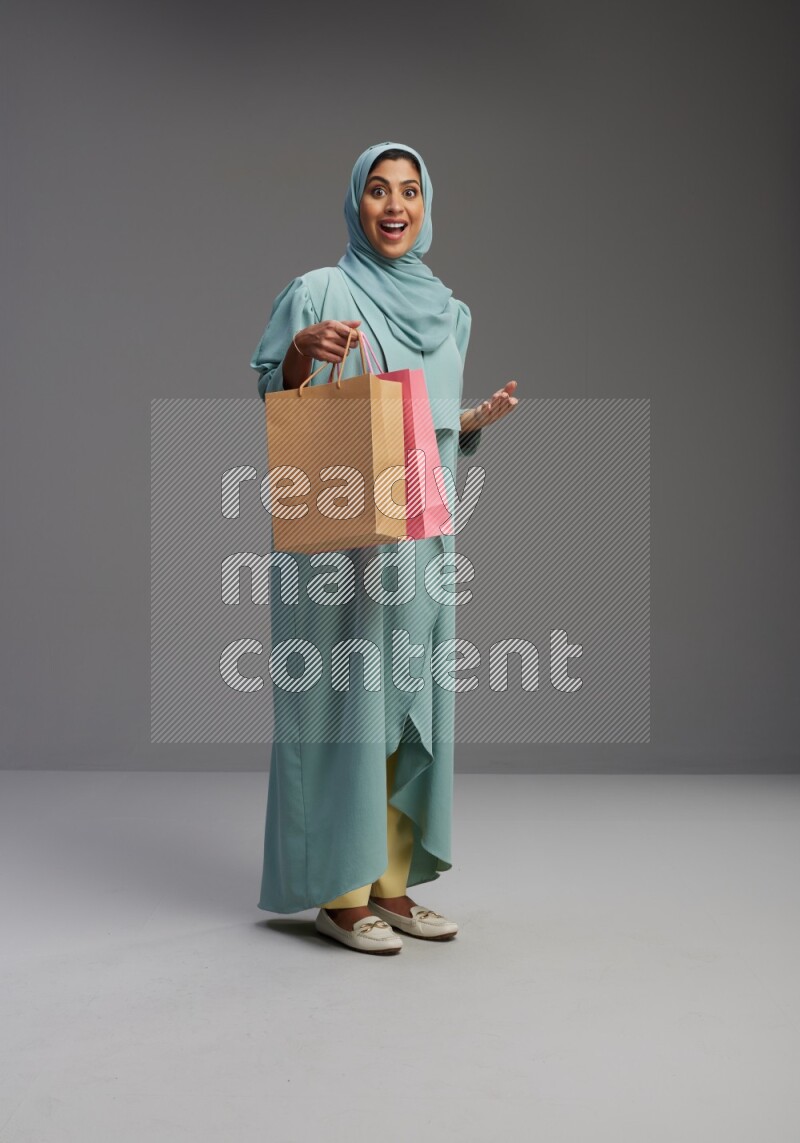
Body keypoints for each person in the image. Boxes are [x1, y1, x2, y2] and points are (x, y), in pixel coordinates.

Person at [250, 141, 517, 955]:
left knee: (411, 698)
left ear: (426, 206)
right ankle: (340, 893)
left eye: (409, 191)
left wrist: (466, 425)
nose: (394, 205)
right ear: (355, 205)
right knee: (344, 705)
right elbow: (273, 388)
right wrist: (304, 352)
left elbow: (424, 425)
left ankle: (392, 886)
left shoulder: (450, 310)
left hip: (424, 530)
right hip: (345, 537)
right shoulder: (321, 290)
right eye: (377, 190)